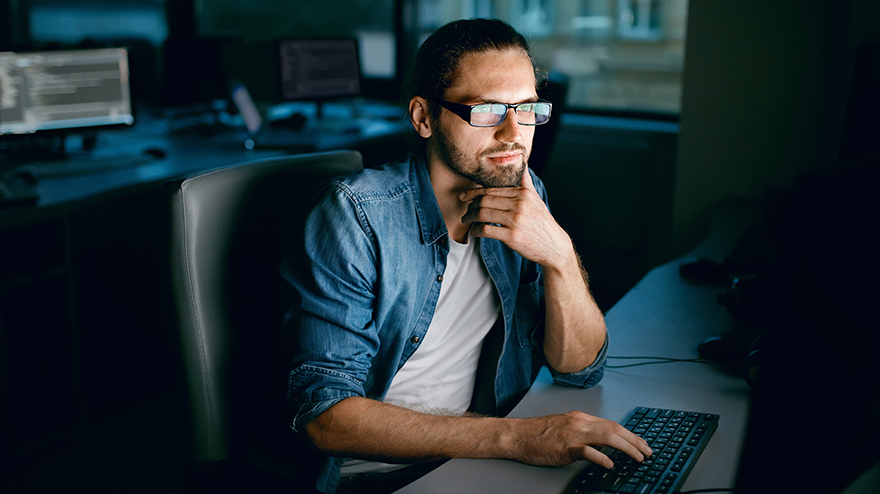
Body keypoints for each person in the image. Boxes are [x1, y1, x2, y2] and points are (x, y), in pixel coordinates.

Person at [281, 18, 651, 494]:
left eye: (527, 109)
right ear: (424, 117)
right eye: (488, 111)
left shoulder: (522, 190)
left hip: (481, 453)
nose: (513, 135)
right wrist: (519, 437)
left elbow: (580, 368)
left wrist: (559, 254)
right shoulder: (353, 217)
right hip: (379, 477)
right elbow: (325, 417)